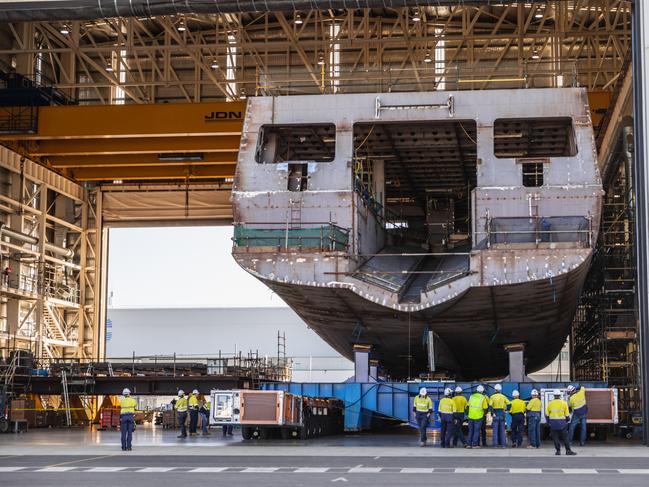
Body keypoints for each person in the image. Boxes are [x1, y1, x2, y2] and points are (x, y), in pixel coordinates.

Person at [545, 389, 576, 456]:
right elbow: (567, 416)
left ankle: (558, 451)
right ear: (559, 396)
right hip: (562, 424)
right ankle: (568, 451)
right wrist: (566, 421)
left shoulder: (550, 404)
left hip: (553, 424)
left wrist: (549, 422)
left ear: (554, 396)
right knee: (565, 438)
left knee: (555, 438)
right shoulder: (564, 403)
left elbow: (547, 415)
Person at [489, 383, 510, 448]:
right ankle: (503, 445)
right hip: (502, 413)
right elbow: (509, 404)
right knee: (502, 430)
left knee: (495, 431)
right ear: (500, 390)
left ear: (495, 390)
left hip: (495, 413)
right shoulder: (503, 396)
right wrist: (506, 410)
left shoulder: (492, 397)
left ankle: (495, 445)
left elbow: (490, 406)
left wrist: (493, 413)